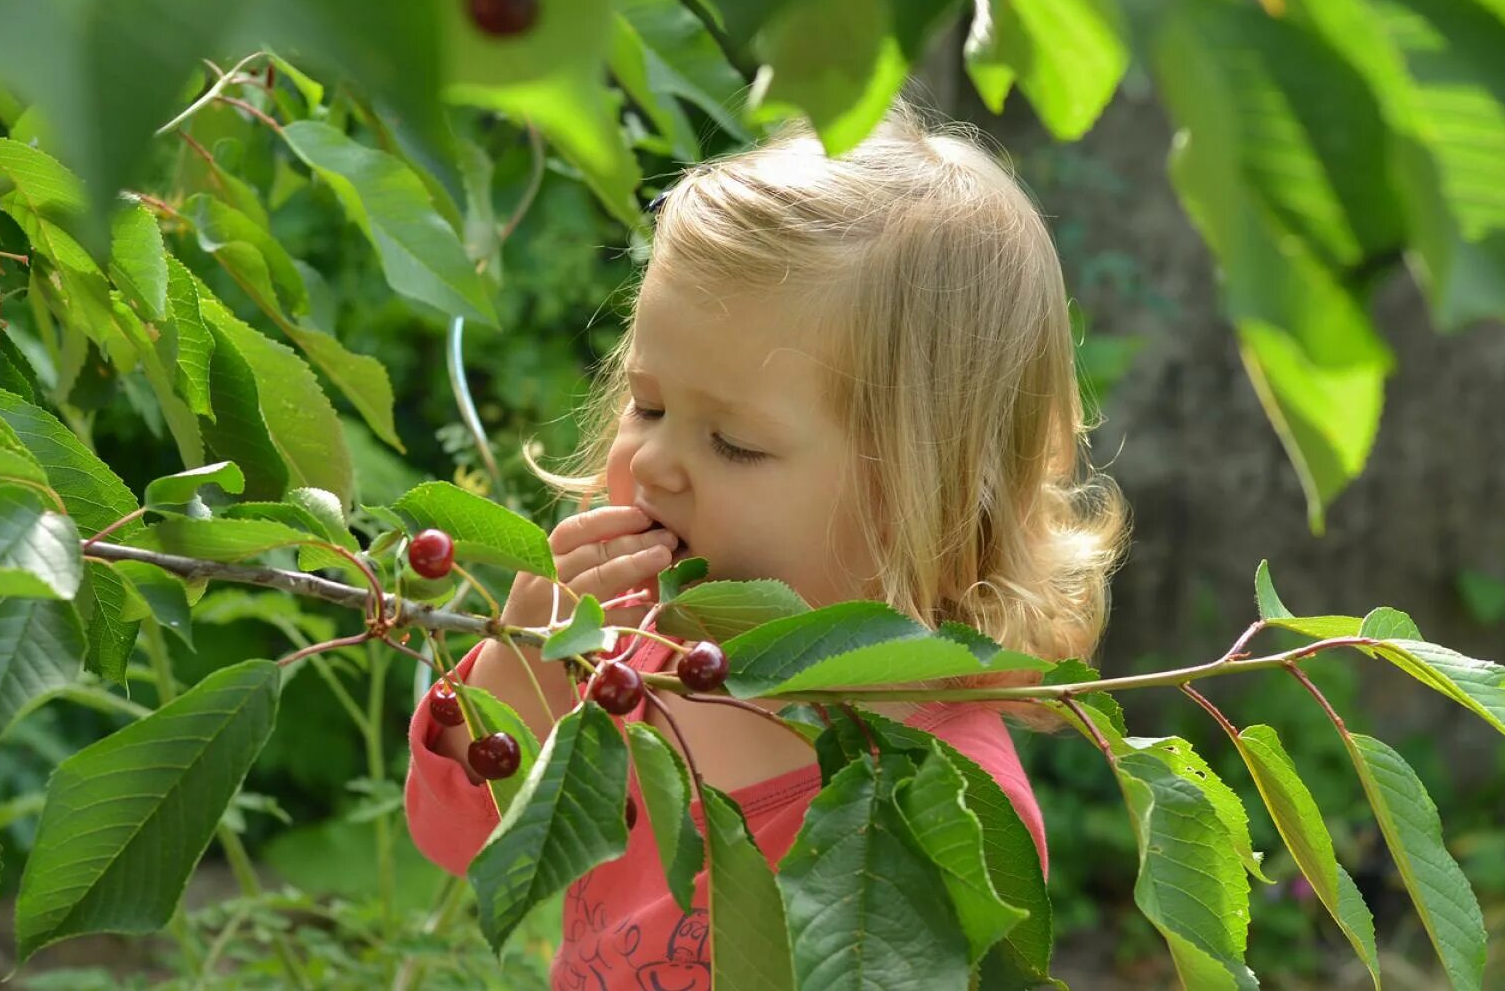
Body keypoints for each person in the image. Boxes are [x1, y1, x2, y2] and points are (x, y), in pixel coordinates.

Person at [402, 96, 1129, 988]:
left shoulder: (940, 793)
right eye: (649, 404)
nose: (656, 462)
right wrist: (520, 681)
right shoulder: (631, 659)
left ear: (925, 505)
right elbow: (457, 843)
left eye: (734, 444)